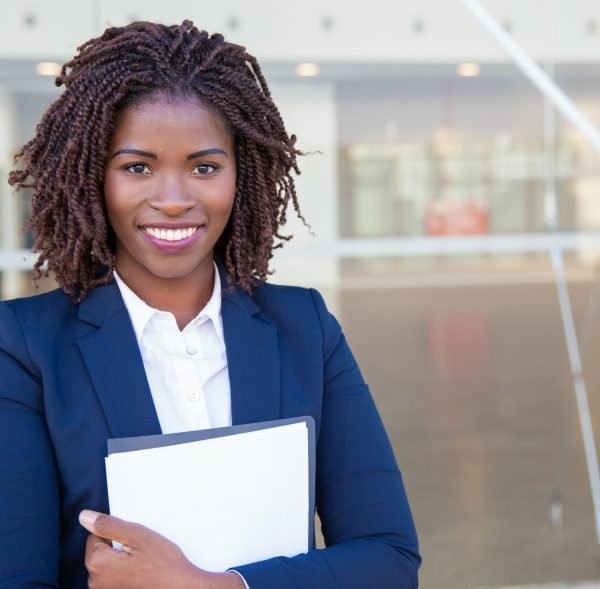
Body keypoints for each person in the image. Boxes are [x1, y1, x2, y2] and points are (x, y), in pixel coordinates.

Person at [0, 20, 420, 589]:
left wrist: (207, 586)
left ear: (238, 176)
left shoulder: (305, 328)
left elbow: (389, 559)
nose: (173, 200)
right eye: (137, 167)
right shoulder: (25, 347)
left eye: (204, 167)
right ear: (94, 179)